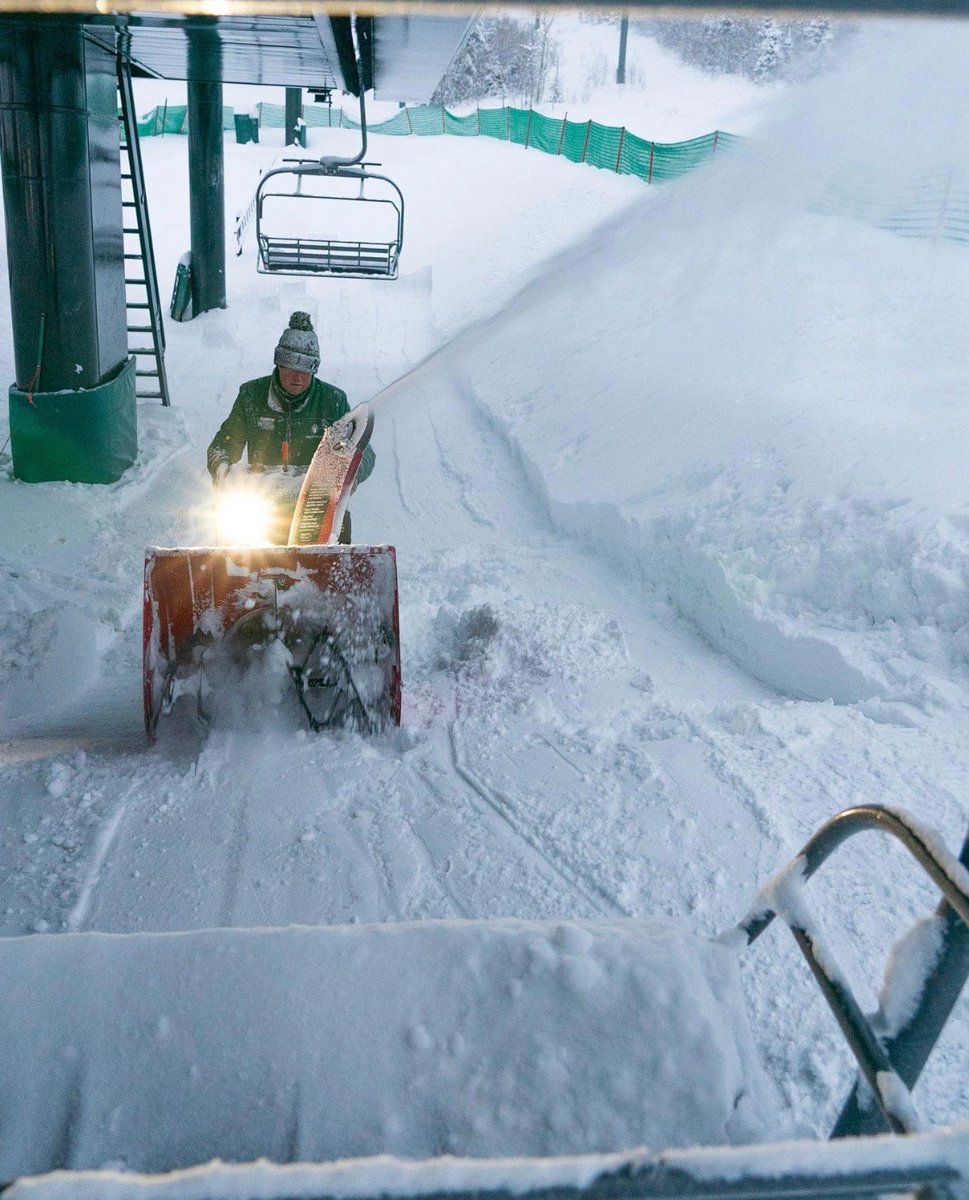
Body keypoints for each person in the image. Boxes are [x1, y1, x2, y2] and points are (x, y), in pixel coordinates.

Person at [207, 311, 374, 544]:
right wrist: (223, 473)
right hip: (258, 505)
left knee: (335, 543)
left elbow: (363, 452)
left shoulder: (332, 401)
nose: (298, 377)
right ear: (278, 363)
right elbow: (223, 445)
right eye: (290, 367)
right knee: (234, 554)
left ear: (315, 370)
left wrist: (347, 478)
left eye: (306, 370)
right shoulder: (251, 396)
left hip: (316, 506)